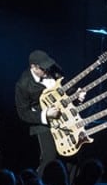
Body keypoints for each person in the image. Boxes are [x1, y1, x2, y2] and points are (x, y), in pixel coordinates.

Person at [14, 50, 85, 178]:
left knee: (73, 154)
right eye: (43, 68)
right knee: (49, 158)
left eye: (48, 66)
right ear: (33, 67)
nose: (47, 70)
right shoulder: (23, 84)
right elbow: (23, 113)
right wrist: (46, 115)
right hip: (41, 123)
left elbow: (66, 89)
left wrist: (76, 95)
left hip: (63, 116)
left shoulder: (53, 70)